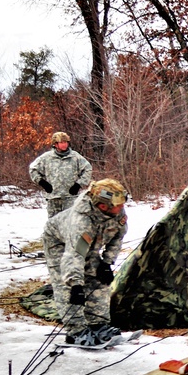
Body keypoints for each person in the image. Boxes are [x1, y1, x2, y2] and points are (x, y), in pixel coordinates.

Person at [43, 178, 128, 346]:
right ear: (103, 206)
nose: (122, 208)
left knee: (99, 280)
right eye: (117, 205)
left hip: (90, 244)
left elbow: (117, 238)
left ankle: (98, 325)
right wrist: (75, 284)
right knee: (67, 286)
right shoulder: (81, 221)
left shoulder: (118, 212)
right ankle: (76, 331)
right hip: (60, 244)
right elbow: (74, 255)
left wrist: (106, 263)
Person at [29, 132, 93, 218]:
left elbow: (88, 169)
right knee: (53, 226)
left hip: (70, 198)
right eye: (62, 142)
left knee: (69, 225)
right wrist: (42, 183)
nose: (64, 145)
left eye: (66, 142)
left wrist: (79, 184)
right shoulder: (46, 158)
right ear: (55, 144)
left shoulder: (75, 157)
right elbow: (33, 169)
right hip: (53, 198)